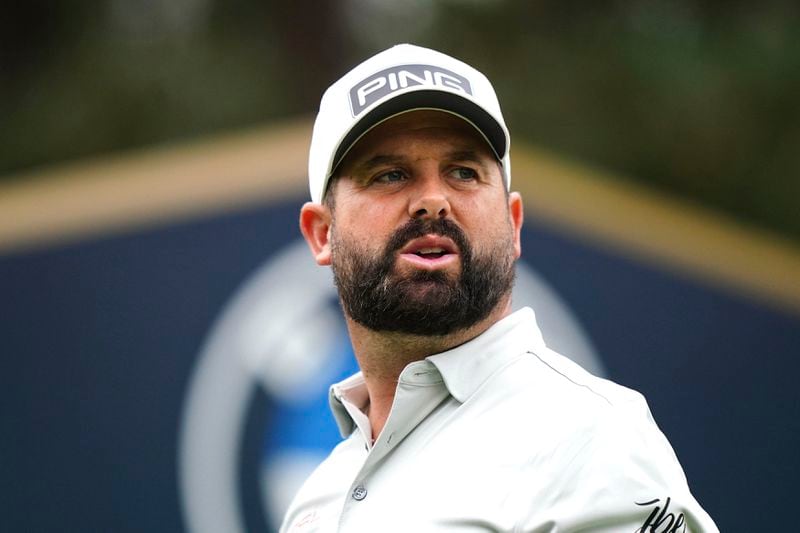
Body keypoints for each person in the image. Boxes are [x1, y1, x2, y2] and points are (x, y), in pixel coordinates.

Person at [281, 44, 718, 532]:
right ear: (323, 234)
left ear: (513, 225)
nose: (431, 201)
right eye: (391, 174)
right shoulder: (318, 497)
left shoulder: (591, 439)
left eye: (464, 173)